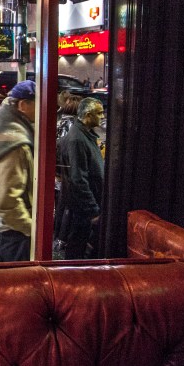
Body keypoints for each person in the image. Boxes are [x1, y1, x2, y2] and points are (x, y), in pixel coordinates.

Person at [0, 80, 36, 262]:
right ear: (23, 105)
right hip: (12, 231)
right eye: (38, 103)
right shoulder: (16, 143)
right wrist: (30, 228)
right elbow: (8, 200)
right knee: (16, 286)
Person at [57, 98, 105, 259]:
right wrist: (92, 210)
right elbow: (78, 178)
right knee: (77, 243)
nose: (103, 116)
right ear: (88, 115)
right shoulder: (77, 139)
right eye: (99, 113)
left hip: (83, 204)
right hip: (83, 207)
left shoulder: (85, 135)